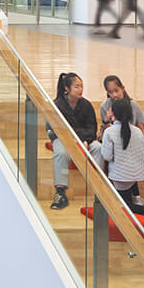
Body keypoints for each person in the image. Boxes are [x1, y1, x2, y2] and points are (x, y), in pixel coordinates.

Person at [100, 76, 144, 221]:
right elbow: (106, 130)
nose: (113, 95)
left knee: (122, 204)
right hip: (124, 152)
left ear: (123, 88)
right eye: (110, 92)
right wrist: (106, 122)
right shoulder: (105, 107)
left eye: (116, 91)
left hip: (128, 151)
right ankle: (133, 194)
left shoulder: (133, 106)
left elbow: (141, 129)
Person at [48, 72, 98, 210]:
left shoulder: (86, 105)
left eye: (81, 86)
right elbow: (55, 130)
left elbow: (92, 129)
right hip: (63, 139)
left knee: (98, 149)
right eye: (76, 86)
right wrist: (77, 138)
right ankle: (60, 192)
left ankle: (100, 186)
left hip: (85, 140)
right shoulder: (57, 105)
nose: (80, 89)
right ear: (67, 89)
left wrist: (85, 139)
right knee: (61, 154)